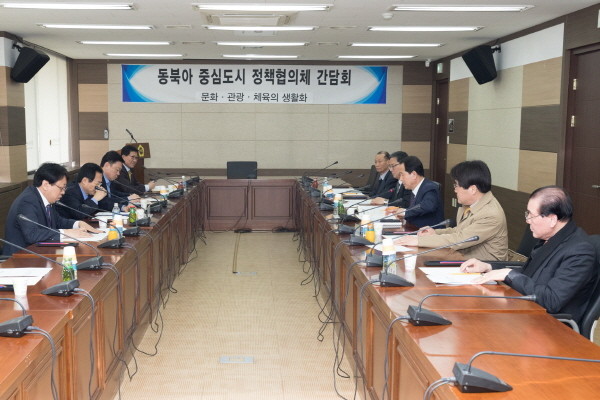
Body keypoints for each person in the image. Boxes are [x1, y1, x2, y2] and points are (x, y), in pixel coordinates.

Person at [460, 186, 596, 325]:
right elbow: (529, 273)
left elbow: (551, 300)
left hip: (551, 326)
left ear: (552, 219)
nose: (528, 220)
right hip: (528, 313)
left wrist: (510, 274)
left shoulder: (580, 251)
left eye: (531, 215)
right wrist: (488, 267)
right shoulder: (552, 239)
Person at [396, 160, 508, 260]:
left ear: (472, 189)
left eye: (456, 185)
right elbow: (459, 231)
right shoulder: (470, 204)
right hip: (465, 257)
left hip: (486, 268)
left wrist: (418, 241)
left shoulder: (490, 214)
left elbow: (460, 239)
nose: (455, 190)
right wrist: (435, 232)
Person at [2, 163, 101, 256]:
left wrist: (78, 224)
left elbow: (58, 221)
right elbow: (32, 234)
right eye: (61, 188)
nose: (63, 192)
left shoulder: (47, 199)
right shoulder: (27, 201)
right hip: (19, 258)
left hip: (39, 252)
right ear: (46, 185)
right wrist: (66, 233)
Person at [393, 156, 444, 228]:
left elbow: (427, 206)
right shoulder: (415, 189)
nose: (400, 179)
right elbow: (415, 214)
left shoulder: (430, 187)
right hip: (415, 230)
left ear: (414, 175)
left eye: (402, 174)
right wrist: (404, 218)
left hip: (429, 233)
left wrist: (405, 212)